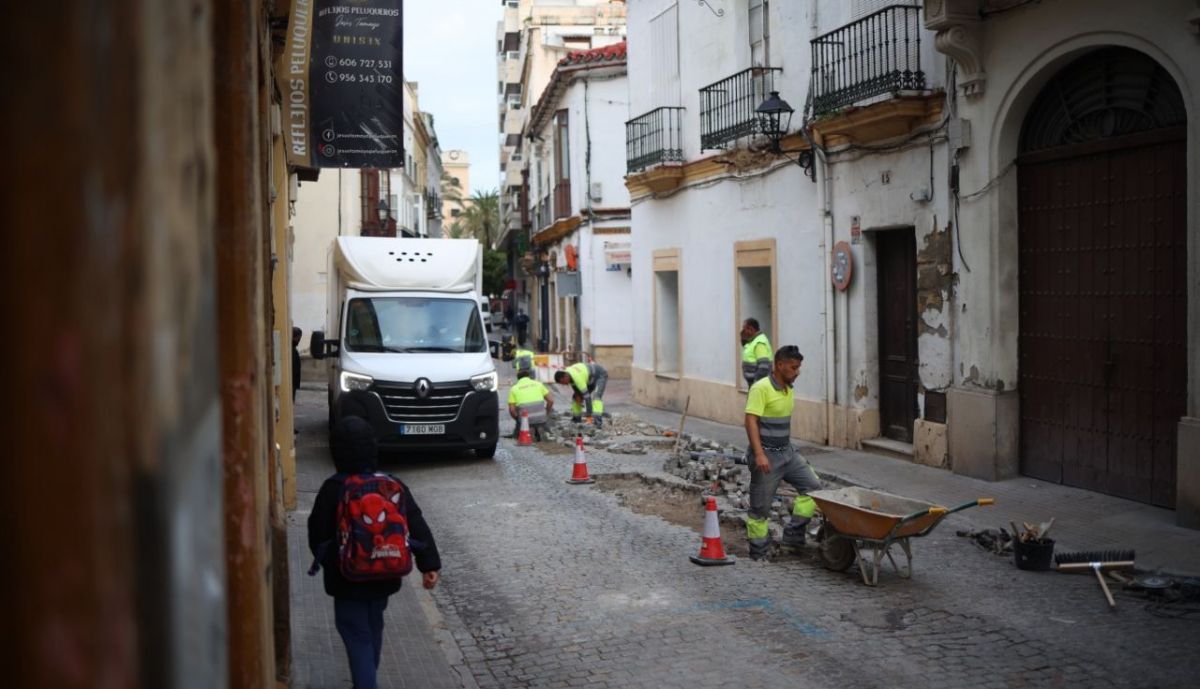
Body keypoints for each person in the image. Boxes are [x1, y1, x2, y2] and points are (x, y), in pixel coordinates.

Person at [308, 415, 441, 689]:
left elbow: (316, 533)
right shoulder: (390, 484)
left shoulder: (333, 488)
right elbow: (416, 522)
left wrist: (332, 559)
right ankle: (366, 678)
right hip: (384, 576)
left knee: (356, 635)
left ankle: (366, 683)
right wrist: (430, 564)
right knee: (373, 628)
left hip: (347, 579)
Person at [743, 346, 820, 562]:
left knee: (814, 489)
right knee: (760, 510)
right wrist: (759, 454)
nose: (797, 372)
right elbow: (750, 421)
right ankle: (758, 554)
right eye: (793, 367)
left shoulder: (788, 388)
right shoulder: (761, 388)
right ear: (780, 365)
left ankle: (793, 538)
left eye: (798, 368)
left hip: (787, 453)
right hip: (766, 456)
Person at [553, 361, 608, 426]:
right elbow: (576, 389)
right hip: (588, 378)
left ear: (565, 377)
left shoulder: (577, 378)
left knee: (596, 397)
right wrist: (578, 395)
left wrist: (588, 416)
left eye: (563, 382)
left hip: (599, 375)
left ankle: (598, 422)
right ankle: (576, 419)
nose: (564, 384)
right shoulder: (568, 375)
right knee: (575, 397)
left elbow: (587, 398)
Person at [507, 369, 553, 440]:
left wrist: (518, 419)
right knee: (545, 427)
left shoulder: (514, 388)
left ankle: (517, 434)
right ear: (529, 376)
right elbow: (551, 400)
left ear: (518, 378)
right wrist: (546, 413)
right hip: (541, 419)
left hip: (524, 421)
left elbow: (512, 410)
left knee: (515, 407)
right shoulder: (539, 384)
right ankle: (547, 432)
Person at [740, 317, 773, 388]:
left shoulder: (759, 342)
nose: (742, 331)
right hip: (753, 384)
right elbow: (744, 344)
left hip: (758, 385)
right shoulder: (752, 341)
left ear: (751, 329)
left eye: (744, 329)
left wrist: (756, 384)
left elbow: (763, 367)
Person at [292, 326, 302, 402]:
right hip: (292, 382)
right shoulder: (292, 350)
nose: (299, 340)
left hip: (294, 382)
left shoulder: (293, 349)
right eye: (299, 338)